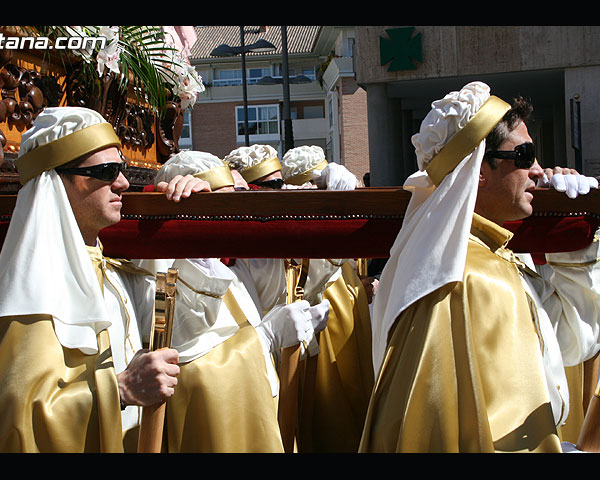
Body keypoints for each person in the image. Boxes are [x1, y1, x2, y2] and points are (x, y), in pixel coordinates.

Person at [360, 81, 600, 453]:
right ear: (479, 171)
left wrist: (572, 240)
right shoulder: (476, 276)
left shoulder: (481, 258)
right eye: (524, 155)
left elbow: (570, 343)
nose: (539, 171)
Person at [0, 107, 208, 453]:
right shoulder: (33, 289)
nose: (122, 182)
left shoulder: (114, 270)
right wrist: (119, 391)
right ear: (56, 184)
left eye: (121, 169)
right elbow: (8, 424)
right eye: (106, 171)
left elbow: (202, 333)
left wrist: (192, 215)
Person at [137, 150, 330, 452]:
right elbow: (196, 371)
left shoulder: (233, 265)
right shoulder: (164, 273)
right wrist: (266, 338)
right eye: (224, 202)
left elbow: (284, 265)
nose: (237, 215)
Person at [277, 145, 375, 452]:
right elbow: (308, 277)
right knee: (330, 399)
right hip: (322, 315)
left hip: (348, 301)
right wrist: (333, 209)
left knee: (357, 385)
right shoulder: (295, 222)